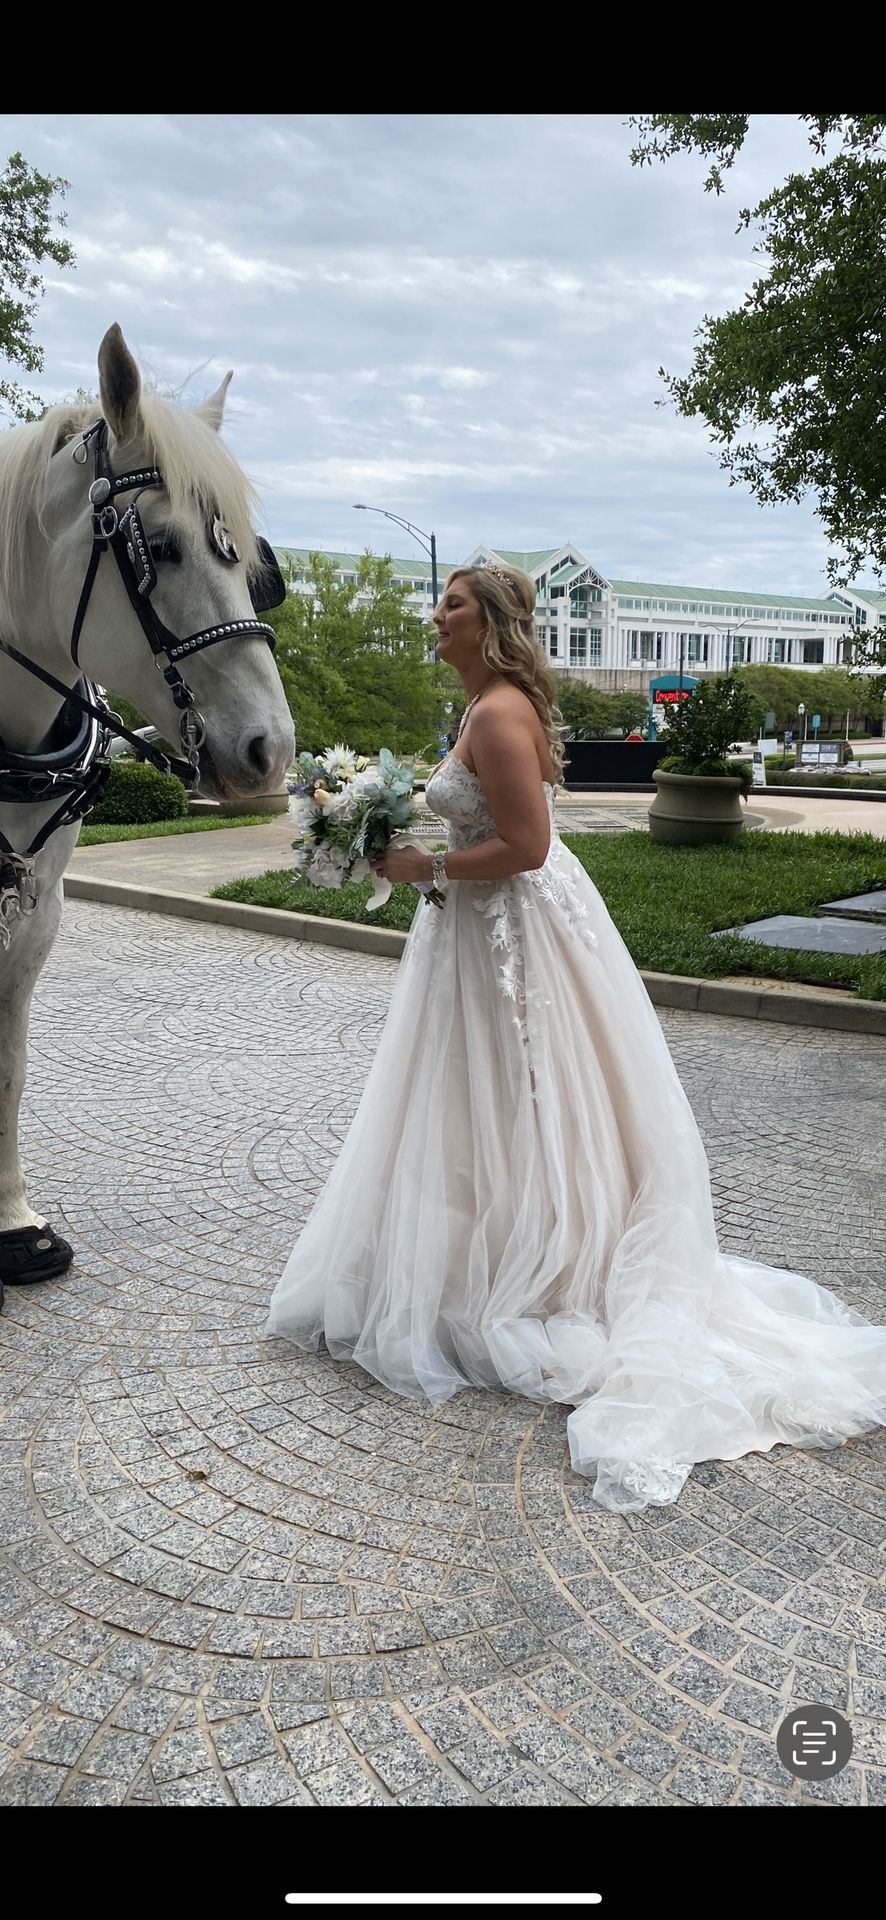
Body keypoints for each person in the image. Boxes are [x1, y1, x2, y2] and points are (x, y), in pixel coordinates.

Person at [267, 562, 886, 1513]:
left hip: (513, 929)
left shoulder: (499, 712)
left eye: (451, 606)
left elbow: (527, 847)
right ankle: (487, 1245)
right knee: (486, 1094)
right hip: (477, 925)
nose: (435, 617)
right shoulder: (483, 706)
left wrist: (425, 865)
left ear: (492, 622)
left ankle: (551, 1262)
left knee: (529, 1086)